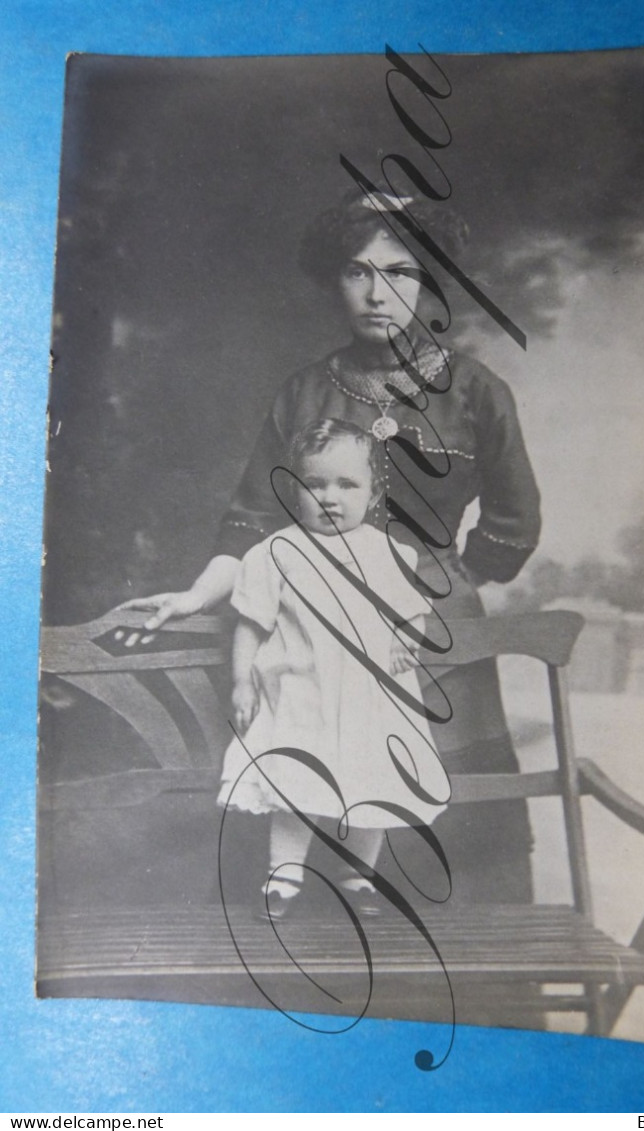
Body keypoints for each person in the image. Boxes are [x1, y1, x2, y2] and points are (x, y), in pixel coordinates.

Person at [123, 187, 541, 908]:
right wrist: (195, 595)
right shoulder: (304, 392)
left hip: (433, 632)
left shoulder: (476, 391)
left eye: (401, 271)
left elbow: (515, 517)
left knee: (451, 815)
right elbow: (252, 520)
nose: (378, 293)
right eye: (357, 271)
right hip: (310, 635)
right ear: (334, 281)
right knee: (310, 795)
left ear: (432, 279)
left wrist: (450, 581)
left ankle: (488, 991)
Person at [218, 418, 449, 919]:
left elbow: (411, 611)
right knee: (294, 785)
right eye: (314, 484)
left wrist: (405, 641)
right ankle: (284, 876)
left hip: (372, 698)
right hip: (304, 695)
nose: (330, 497)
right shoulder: (276, 553)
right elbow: (251, 623)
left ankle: (358, 876)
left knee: (377, 783)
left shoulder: (389, 553)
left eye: (347, 485)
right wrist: (241, 681)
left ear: (372, 493)